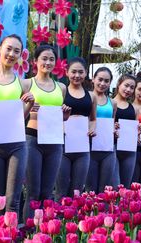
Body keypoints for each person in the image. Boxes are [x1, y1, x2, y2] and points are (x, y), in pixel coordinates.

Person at [0, 34, 34, 214]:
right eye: (8, 48)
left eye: (16, 51)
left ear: (20, 56)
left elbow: (20, 117)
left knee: (13, 201)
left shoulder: (22, 83)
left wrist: (30, 105)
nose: (11, 54)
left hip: (16, 145)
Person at [23, 44, 70, 221]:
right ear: (35, 61)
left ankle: (45, 230)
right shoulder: (27, 84)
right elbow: (19, 115)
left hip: (54, 141)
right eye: (44, 58)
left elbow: (60, 117)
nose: (48, 62)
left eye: (51, 59)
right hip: (32, 139)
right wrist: (28, 105)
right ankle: (28, 231)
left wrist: (65, 114)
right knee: (33, 192)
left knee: (47, 191)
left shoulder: (61, 88)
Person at [55, 57, 97, 200]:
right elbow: (53, 116)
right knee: (60, 190)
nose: (77, 75)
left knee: (77, 191)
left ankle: (74, 220)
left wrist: (92, 129)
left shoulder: (91, 96)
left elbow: (93, 119)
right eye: (73, 72)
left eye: (81, 72)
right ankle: (56, 221)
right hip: (63, 147)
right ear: (67, 72)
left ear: (86, 74)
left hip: (83, 148)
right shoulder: (61, 91)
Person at [86, 67, 117, 193]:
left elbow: (112, 122)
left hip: (107, 148)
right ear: (93, 79)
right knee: (90, 189)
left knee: (105, 189)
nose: (102, 83)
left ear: (110, 83)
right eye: (100, 79)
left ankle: (103, 213)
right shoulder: (86, 97)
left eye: (106, 81)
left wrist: (115, 130)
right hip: (89, 146)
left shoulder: (113, 103)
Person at [112, 74, 137, 188]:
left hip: (129, 150)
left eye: (132, 88)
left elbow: (135, 130)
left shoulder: (134, 108)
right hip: (113, 148)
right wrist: (113, 127)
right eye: (126, 86)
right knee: (115, 185)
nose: (128, 90)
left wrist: (139, 132)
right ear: (119, 84)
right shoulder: (111, 103)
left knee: (125, 187)